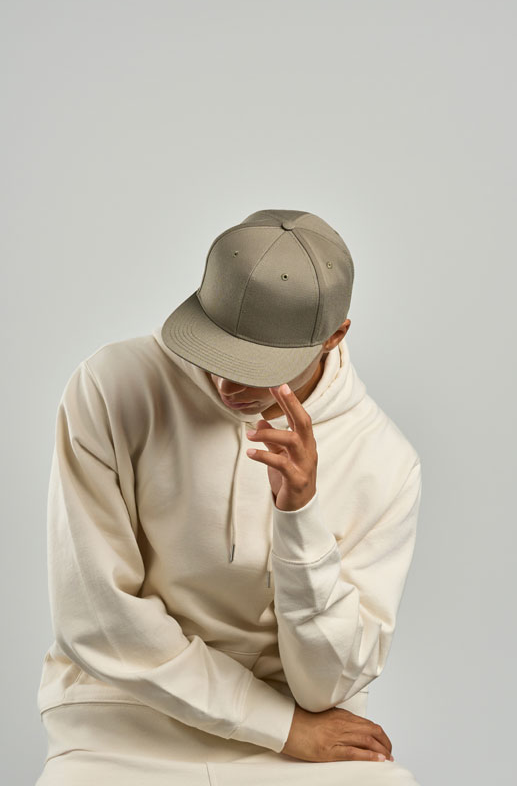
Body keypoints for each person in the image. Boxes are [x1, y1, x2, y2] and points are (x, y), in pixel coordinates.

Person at [35, 209, 423, 785]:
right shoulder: (112, 386)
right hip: (119, 717)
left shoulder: (384, 461)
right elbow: (97, 617)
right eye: (213, 347)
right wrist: (279, 726)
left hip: (301, 741)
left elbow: (327, 686)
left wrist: (300, 519)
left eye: (260, 364)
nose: (227, 383)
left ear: (335, 337)